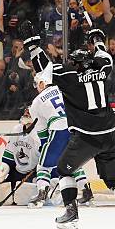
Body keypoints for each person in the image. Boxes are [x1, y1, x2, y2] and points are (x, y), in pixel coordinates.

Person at [22, 22, 115, 229]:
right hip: (110, 135)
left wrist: (33, 46)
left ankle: (71, 214)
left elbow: (45, 68)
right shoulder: (102, 70)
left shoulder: (68, 77)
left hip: (87, 137)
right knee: (114, 180)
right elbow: (105, 56)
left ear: (76, 64)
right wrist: (96, 40)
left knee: (63, 170)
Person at [26, 68, 93, 209]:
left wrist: (45, 150)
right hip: (76, 128)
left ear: (43, 83)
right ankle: (86, 191)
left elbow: (43, 133)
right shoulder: (64, 89)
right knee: (73, 162)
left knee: (43, 165)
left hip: (59, 130)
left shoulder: (37, 102)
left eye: (37, 84)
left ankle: (42, 193)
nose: (37, 88)